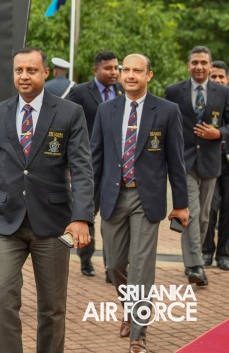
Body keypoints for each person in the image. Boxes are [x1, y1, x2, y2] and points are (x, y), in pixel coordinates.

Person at [0, 46, 93, 353]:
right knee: (2, 299)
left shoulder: (69, 113)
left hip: (54, 224)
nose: (24, 76)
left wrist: (81, 218)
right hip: (7, 222)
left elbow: (82, 169)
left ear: (46, 72)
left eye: (31, 70)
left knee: (52, 307)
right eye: (19, 70)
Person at [91, 54, 189, 353]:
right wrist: (84, 207)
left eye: (137, 70)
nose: (130, 75)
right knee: (114, 265)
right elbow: (95, 160)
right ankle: (130, 307)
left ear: (149, 75)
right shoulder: (106, 110)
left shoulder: (168, 111)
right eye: (126, 70)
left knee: (142, 267)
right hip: (113, 197)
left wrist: (181, 204)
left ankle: (138, 333)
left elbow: (176, 161)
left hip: (147, 199)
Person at [165, 46, 229, 286]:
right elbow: (164, 124)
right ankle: (194, 265)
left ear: (210, 66)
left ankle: (193, 260)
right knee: (191, 214)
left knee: (204, 218)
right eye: (195, 62)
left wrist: (219, 133)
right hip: (183, 163)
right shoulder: (174, 91)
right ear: (188, 65)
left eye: (204, 62)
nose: (199, 66)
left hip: (211, 163)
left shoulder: (223, 92)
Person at [66, 51, 123, 278]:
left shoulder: (123, 91)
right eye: (108, 68)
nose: (114, 72)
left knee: (113, 217)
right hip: (89, 165)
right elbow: (67, 123)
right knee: (87, 212)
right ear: (95, 70)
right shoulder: (80, 92)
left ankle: (112, 266)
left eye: (116, 68)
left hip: (117, 166)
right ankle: (86, 259)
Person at [203, 60, 229, 271]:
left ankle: (223, 254)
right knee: (210, 209)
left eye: (221, 77)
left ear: (228, 78)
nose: (218, 80)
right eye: (214, 76)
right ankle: (206, 251)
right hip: (209, 161)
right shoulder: (201, 100)